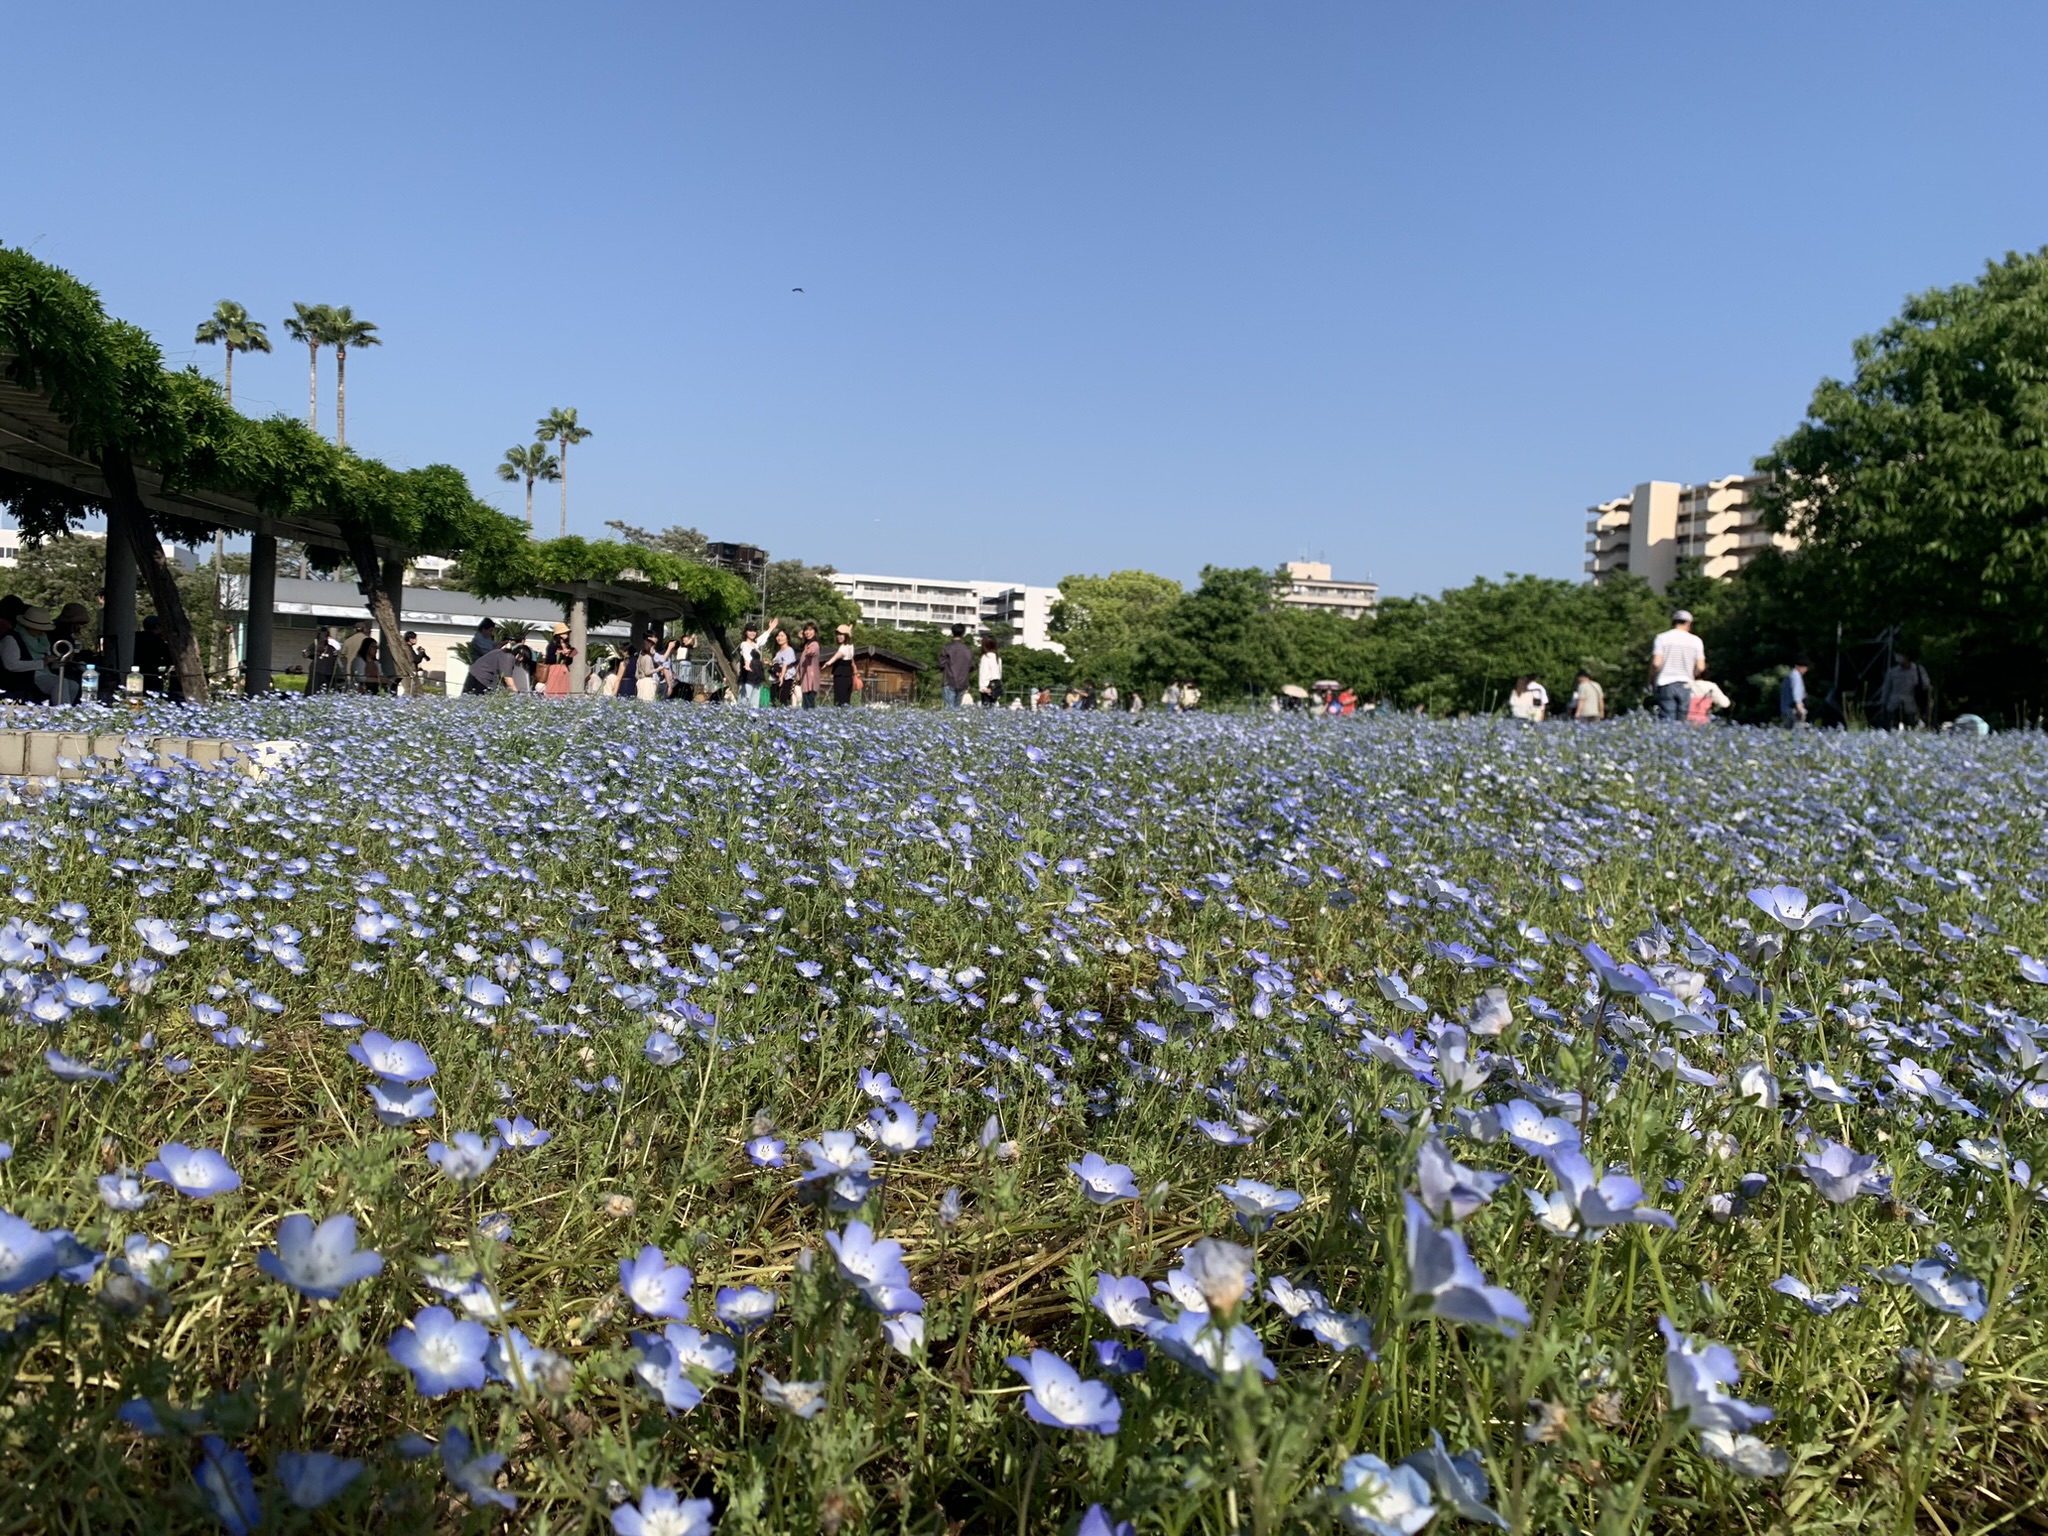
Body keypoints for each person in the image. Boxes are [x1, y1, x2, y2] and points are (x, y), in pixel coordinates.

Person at [1650, 609, 1706, 721]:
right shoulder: (1696, 641)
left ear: (1673, 622)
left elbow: (1656, 663)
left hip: (1665, 682)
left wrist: (1651, 679)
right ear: (1689, 623)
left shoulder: (1661, 638)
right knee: (1682, 722)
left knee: (1667, 721)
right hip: (1686, 683)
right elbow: (1701, 667)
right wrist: (1692, 674)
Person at [0, 605, 60, 703]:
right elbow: (11, 664)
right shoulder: (11, 639)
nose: (42, 632)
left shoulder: (42, 640)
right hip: (19, 682)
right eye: (39, 628)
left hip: (38, 676)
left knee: (71, 685)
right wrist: (42, 662)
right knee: (58, 684)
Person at [1878, 650, 1931, 729]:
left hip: (1911, 706)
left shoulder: (1918, 670)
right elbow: (1886, 689)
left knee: (1911, 728)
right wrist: (1883, 704)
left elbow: (1926, 687)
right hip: (1894, 705)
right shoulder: (1893, 672)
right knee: (1893, 728)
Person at [939, 624, 973, 708]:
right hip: (963, 682)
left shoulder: (947, 648)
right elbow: (971, 666)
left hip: (949, 680)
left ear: (952, 632)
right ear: (963, 633)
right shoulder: (968, 650)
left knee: (949, 709)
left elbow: (941, 664)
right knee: (957, 709)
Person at [828, 624, 859, 706]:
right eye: (838, 634)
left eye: (841, 634)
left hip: (841, 675)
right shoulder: (851, 647)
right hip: (848, 675)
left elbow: (835, 657)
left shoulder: (843, 648)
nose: (838, 636)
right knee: (846, 699)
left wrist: (827, 663)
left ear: (846, 636)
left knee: (839, 700)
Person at [737, 625, 766, 707]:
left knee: (755, 702)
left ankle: (754, 715)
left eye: (754, 631)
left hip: (756, 675)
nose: (752, 633)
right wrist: (747, 663)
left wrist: (770, 629)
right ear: (745, 632)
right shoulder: (744, 644)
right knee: (744, 700)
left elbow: (761, 639)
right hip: (747, 676)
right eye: (750, 631)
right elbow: (746, 654)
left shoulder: (755, 644)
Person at [796, 624, 822, 709]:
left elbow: (812, 651)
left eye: (810, 630)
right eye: (806, 630)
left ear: (815, 632)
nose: (808, 632)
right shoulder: (807, 644)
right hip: (805, 679)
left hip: (811, 679)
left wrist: (809, 650)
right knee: (806, 704)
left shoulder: (814, 644)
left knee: (809, 705)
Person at [1779, 659, 1811, 727]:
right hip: (1794, 711)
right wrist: (1799, 709)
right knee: (1797, 732)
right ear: (1802, 667)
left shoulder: (1789, 676)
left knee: (1786, 732)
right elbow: (1796, 694)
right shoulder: (1796, 677)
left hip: (1785, 710)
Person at [770, 628, 797, 706]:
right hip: (776, 679)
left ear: (787, 638)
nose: (779, 638)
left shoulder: (789, 650)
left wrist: (781, 677)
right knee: (774, 702)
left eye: (782, 636)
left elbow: (785, 664)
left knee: (782, 702)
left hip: (785, 679)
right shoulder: (778, 652)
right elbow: (777, 664)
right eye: (778, 636)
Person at [977, 635, 1002, 707]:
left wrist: (983, 687)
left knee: (986, 708)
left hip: (987, 686)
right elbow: (999, 674)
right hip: (996, 685)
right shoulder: (997, 657)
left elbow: (984, 673)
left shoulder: (985, 657)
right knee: (993, 708)